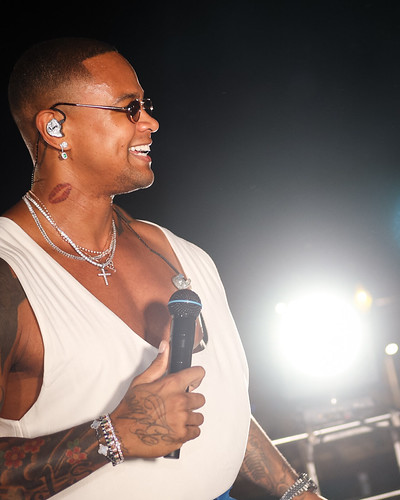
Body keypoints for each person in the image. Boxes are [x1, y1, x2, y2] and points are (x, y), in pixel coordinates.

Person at [0, 38, 326, 499]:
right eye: (129, 108)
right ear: (56, 127)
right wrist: (112, 435)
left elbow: (214, 405)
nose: (150, 122)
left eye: (146, 106)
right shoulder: (11, 273)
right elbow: (140, 423)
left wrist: (299, 494)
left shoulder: (183, 256)